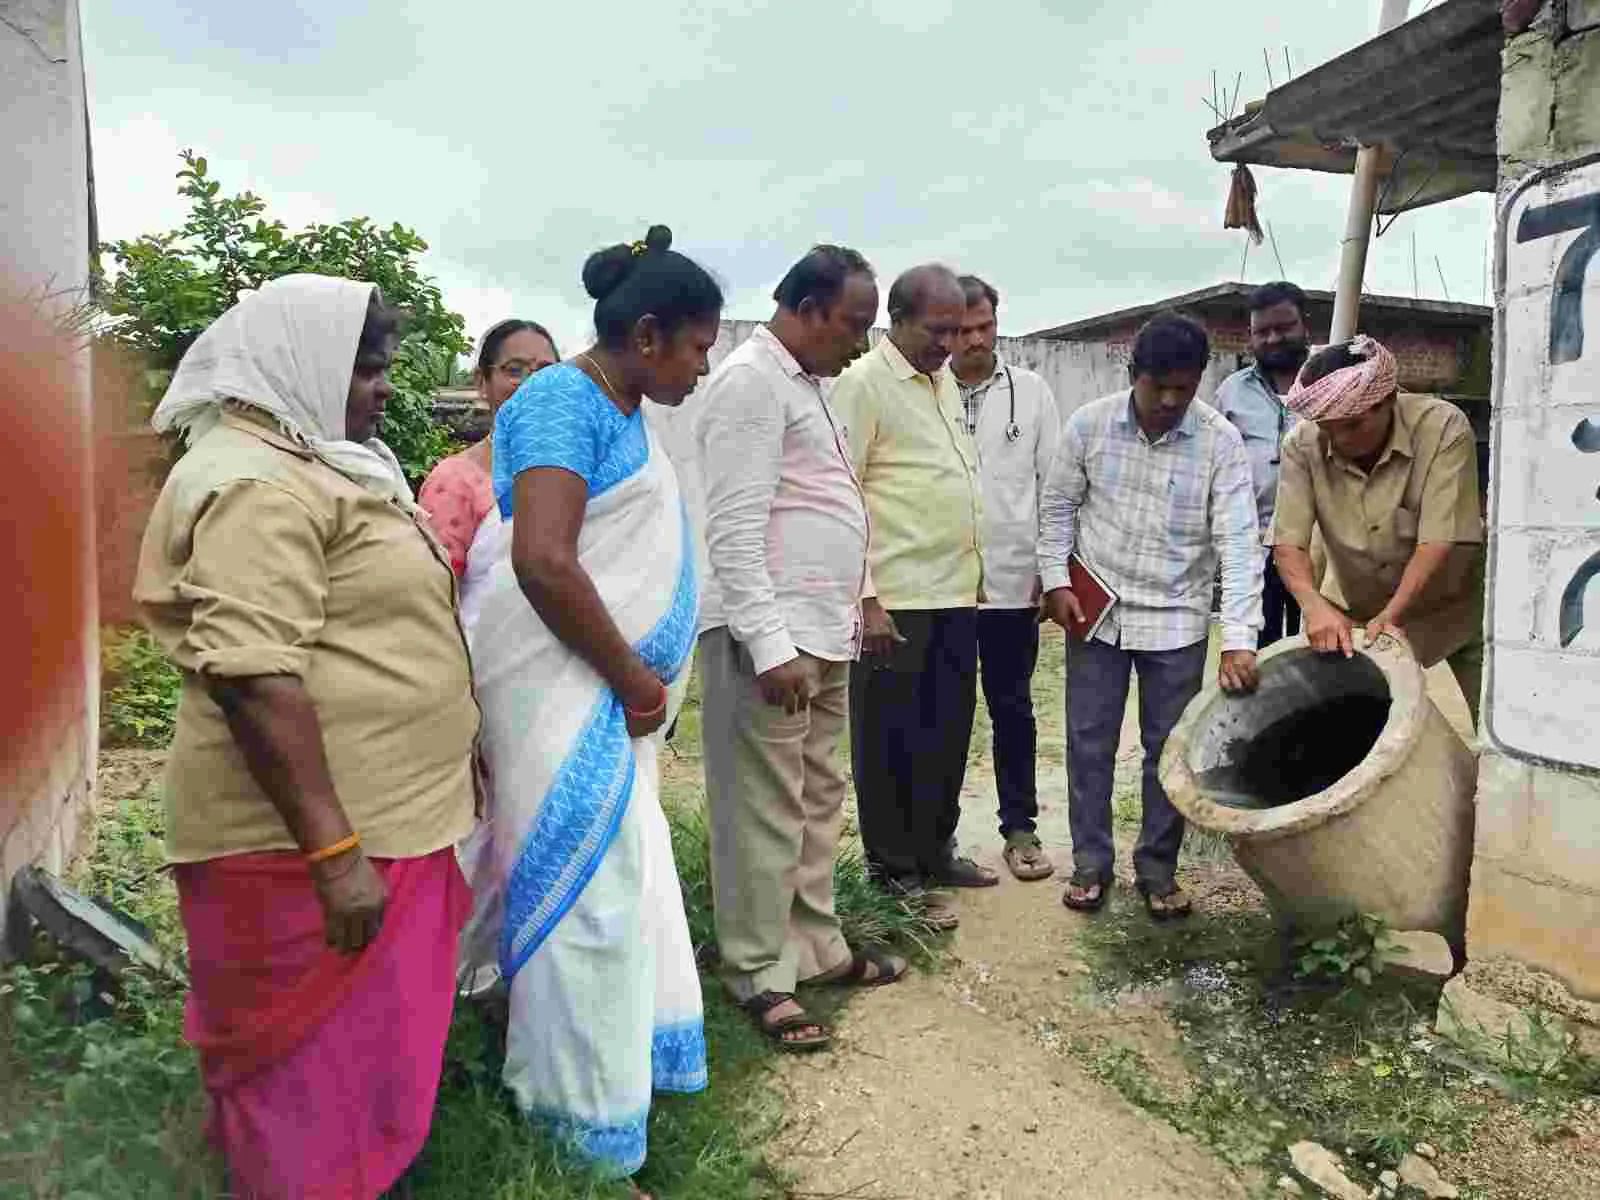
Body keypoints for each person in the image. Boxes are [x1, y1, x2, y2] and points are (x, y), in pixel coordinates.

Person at [132, 274, 480, 1199]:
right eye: (366, 371)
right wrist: (332, 852)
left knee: (364, 1064)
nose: (384, 390)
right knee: (306, 1088)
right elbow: (253, 673)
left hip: (386, 822)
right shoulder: (253, 482)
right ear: (303, 365)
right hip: (304, 846)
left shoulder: (315, 461)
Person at [462, 225, 720, 1185]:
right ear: (647, 335)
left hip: (604, 695)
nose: (702, 367)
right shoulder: (564, 403)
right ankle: (570, 1116)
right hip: (563, 687)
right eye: (696, 347)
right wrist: (630, 674)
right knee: (584, 899)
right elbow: (541, 560)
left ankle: (621, 1078)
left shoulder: (621, 406)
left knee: (623, 881)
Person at [695, 245, 907, 1053]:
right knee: (763, 811)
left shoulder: (808, 385)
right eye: (854, 323)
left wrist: (854, 605)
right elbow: (735, 529)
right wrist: (769, 642)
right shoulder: (751, 382)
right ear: (809, 309)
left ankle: (816, 949)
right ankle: (757, 972)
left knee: (818, 798)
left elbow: (824, 506)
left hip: (821, 632)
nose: (861, 343)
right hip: (771, 639)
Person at [1039, 313, 1263, 921]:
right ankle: (1090, 865)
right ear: (1132, 374)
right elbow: (1057, 510)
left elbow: (1240, 545)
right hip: (1098, 614)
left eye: (1183, 390)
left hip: (1177, 622)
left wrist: (1240, 639)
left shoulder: (1220, 442)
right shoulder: (1089, 426)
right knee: (1089, 744)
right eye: (1157, 386)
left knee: (1168, 750)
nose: (1169, 401)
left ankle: (1158, 870)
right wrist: (1057, 582)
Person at [830, 263, 991, 931]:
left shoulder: (942, 379)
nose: (949, 343)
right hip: (893, 599)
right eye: (937, 330)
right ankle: (892, 869)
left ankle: (935, 849)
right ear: (894, 320)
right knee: (890, 739)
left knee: (947, 733)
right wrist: (865, 598)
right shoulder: (863, 385)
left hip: (954, 593)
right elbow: (843, 494)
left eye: (957, 330)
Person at [1268, 336, 1485, 725]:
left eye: (1353, 426)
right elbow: (1288, 543)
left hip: (1454, 611)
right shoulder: (1302, 445)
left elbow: (1437, 540)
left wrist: (1392, 615)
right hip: (1355, 616)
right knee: (1349, 735)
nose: (1341, 441)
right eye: (1329, 430)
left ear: (1388, 400)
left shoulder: (1443, 428)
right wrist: (1314, 606)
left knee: (1499, 728)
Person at [951, 274, 1060, 882]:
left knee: (1012, 708)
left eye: (984, 326)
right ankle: (938, 836)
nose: (975, 339)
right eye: (962, 329)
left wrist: (1052, 570)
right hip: (938, 589)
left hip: (1012, 586)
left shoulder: (1031, 392)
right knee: (944, 714)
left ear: (998, 321)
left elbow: (1053, 489)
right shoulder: (926, 390)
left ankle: (1020, 828)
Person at [419, 318, 560, 579]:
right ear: (482, 381)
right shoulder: (454, 481)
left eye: (545, 372)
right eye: (514, 370)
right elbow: (436, 592)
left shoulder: (586, 472)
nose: (532, 384)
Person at [1213, 281, 1310, 647]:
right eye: (1262, 331)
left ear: (1305, 326)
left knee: (1317, 649)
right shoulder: (1231, 393)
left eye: (1283, 328)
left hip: (1317, 548)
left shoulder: (1330, 381)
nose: (1272, 339)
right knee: (1260, 647)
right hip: (1253, 547)